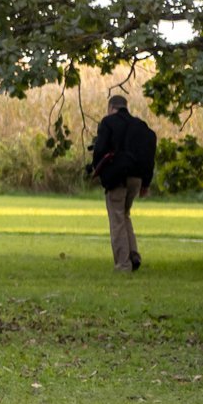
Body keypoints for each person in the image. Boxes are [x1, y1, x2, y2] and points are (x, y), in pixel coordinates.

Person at [88, 94, 156, 272]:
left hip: (117, 177)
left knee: (116, 217)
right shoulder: (141, 127)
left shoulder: (108, 122)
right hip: (137, 178)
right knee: (125, 214)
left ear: (111, 108)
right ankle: (133, 255)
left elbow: (100, 149)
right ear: (126, 106)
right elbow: (149, 157)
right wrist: (145, 183)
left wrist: (98, 169)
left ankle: (123, 264)